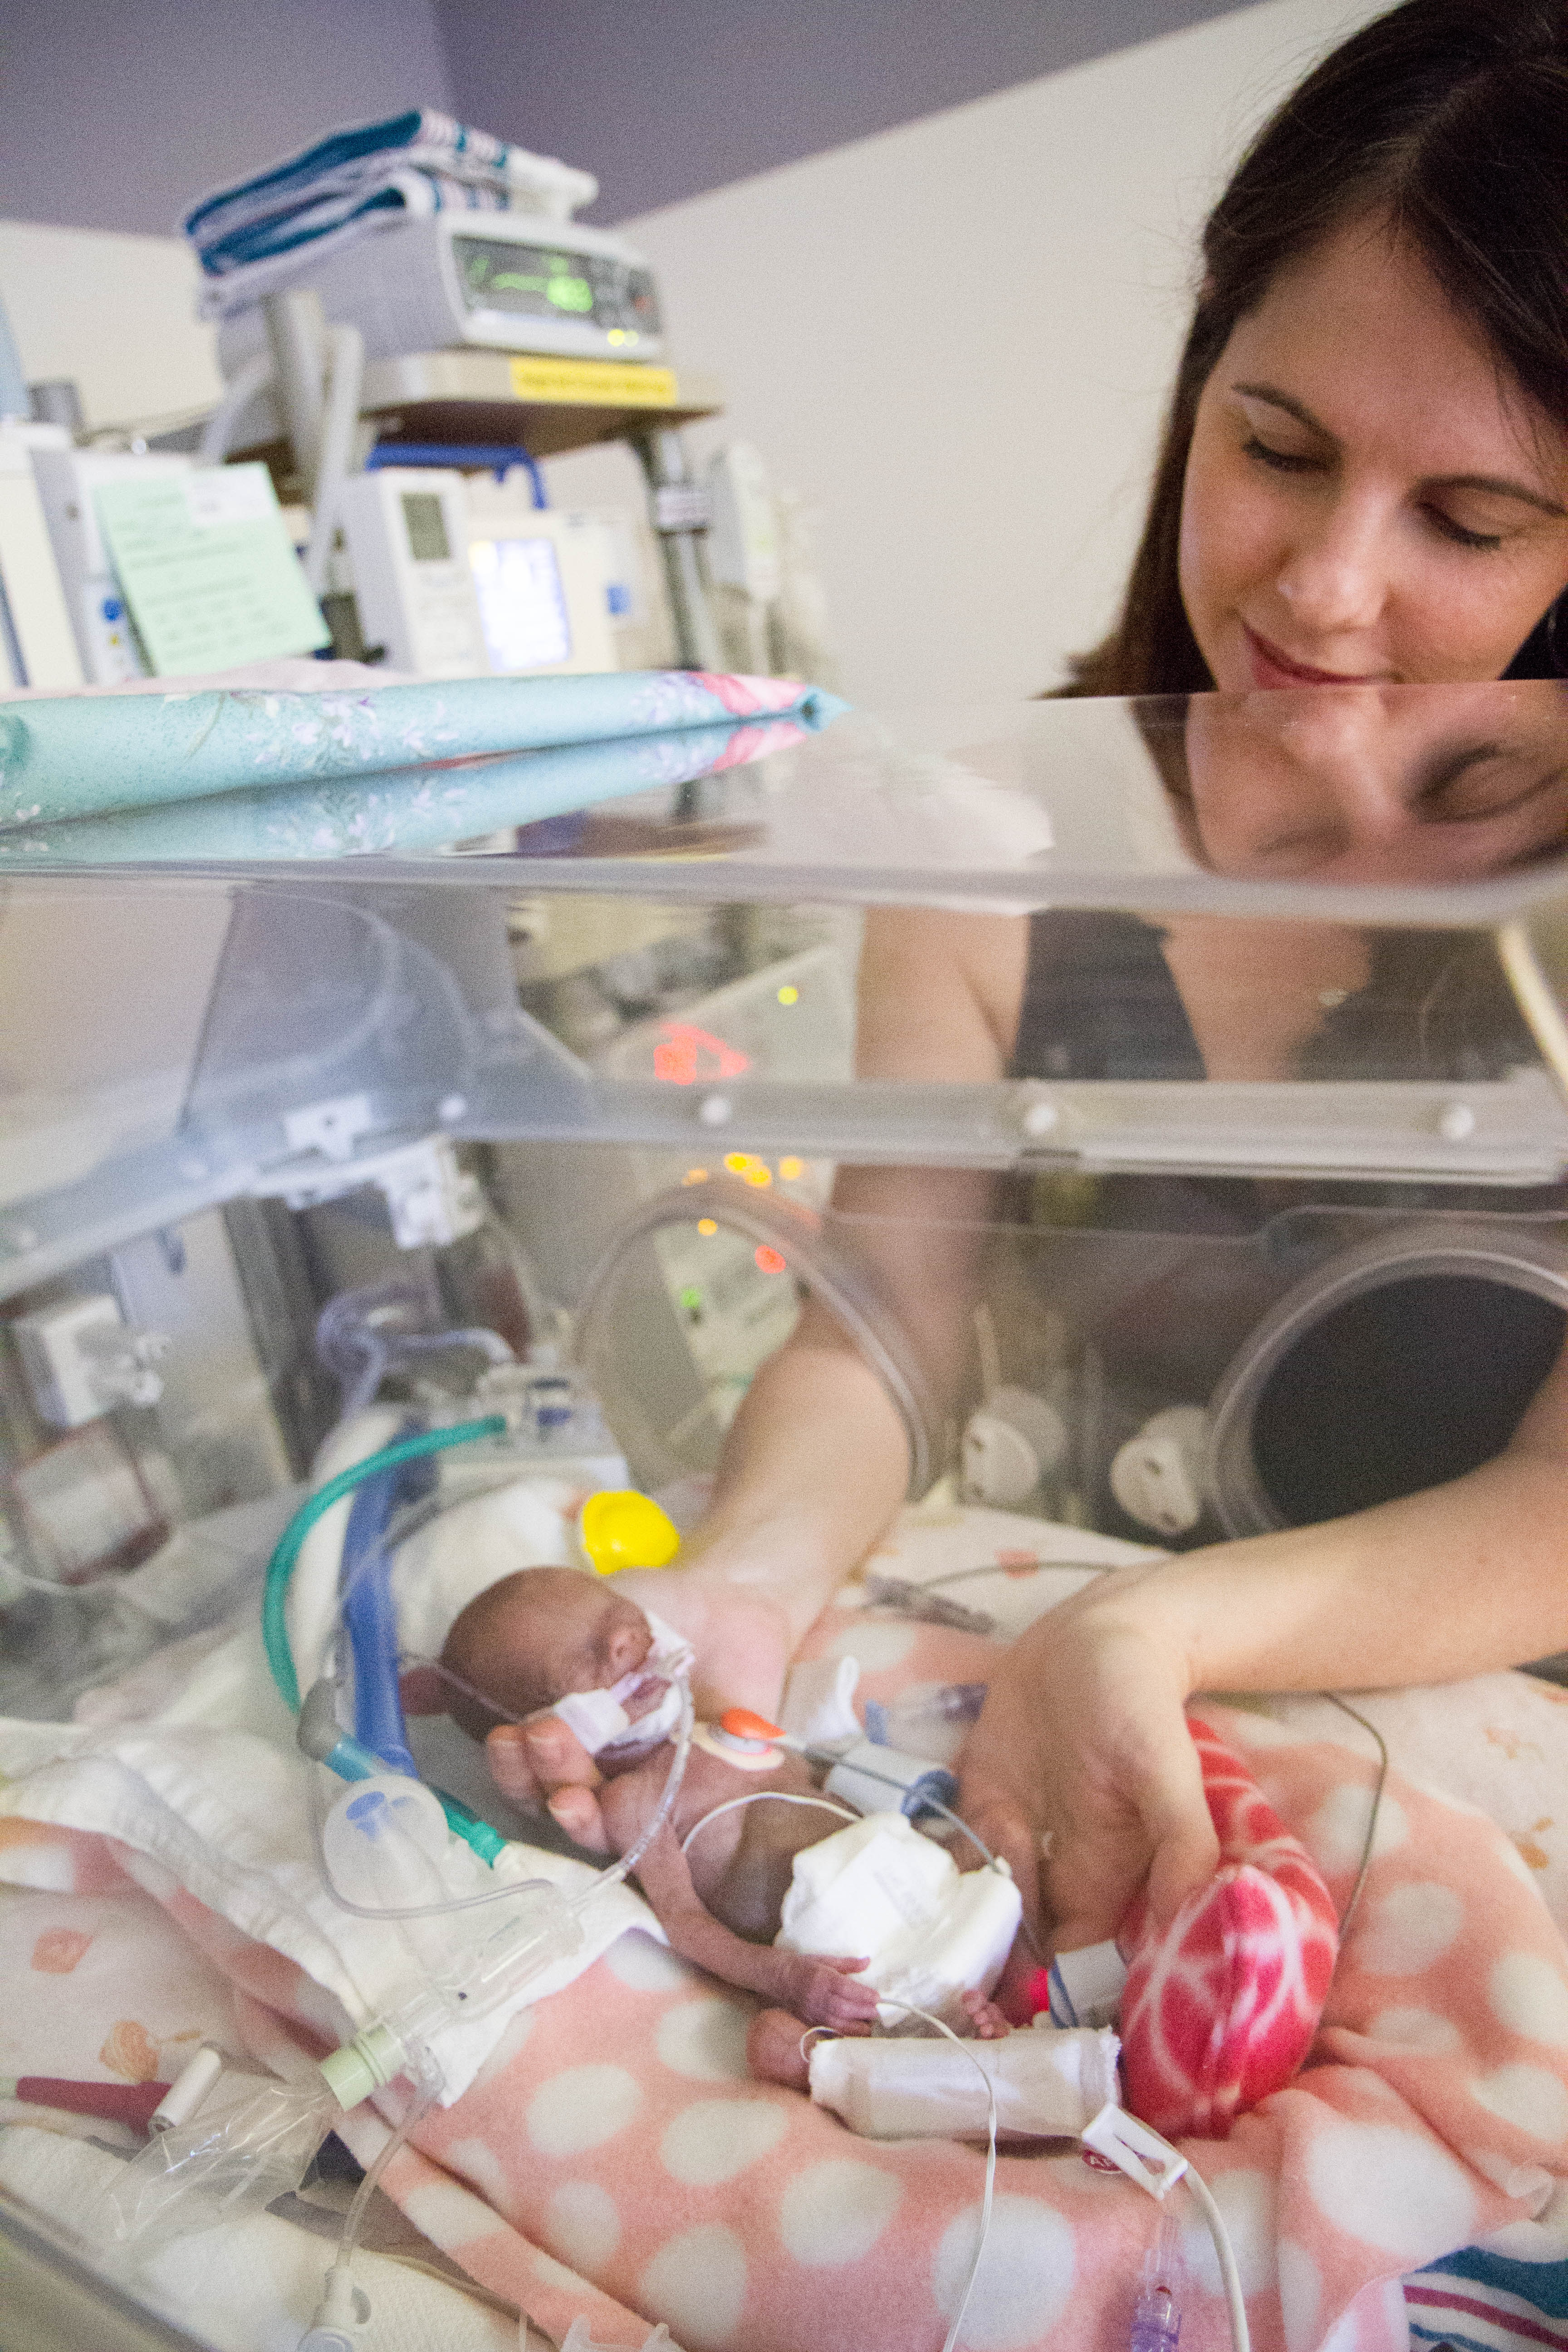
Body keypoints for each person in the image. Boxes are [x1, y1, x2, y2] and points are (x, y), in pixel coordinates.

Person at [488, 0, 1568, 1975]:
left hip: (1459, 1803)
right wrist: (748, 1577)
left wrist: (1159, 1626)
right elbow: (888, 1322)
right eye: (1278, 450)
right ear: (1198, 388)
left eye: (1471, 522)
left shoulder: (1545, 931)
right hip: (1039, 1776)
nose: (1326, 590)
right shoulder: (998, 845)